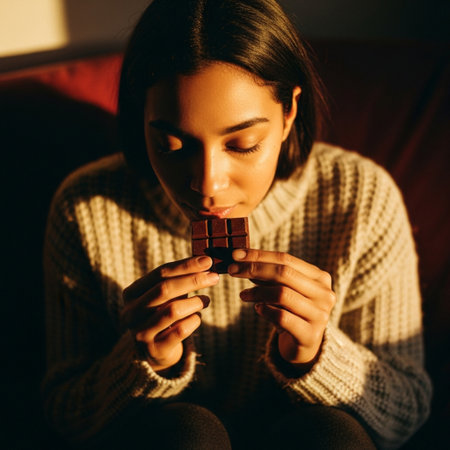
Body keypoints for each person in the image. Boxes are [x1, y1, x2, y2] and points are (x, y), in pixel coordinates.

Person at [42, 0, 432, 448]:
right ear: (140, 119)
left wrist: (315, 354)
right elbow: (63, 411)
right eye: (171, 144)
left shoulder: (361, 198)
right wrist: (145, 362)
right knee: (187, 434)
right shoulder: (86, 207)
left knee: (333, 435)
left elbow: (408, 408)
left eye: (243, 144)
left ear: (288, 114)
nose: (208, 184)